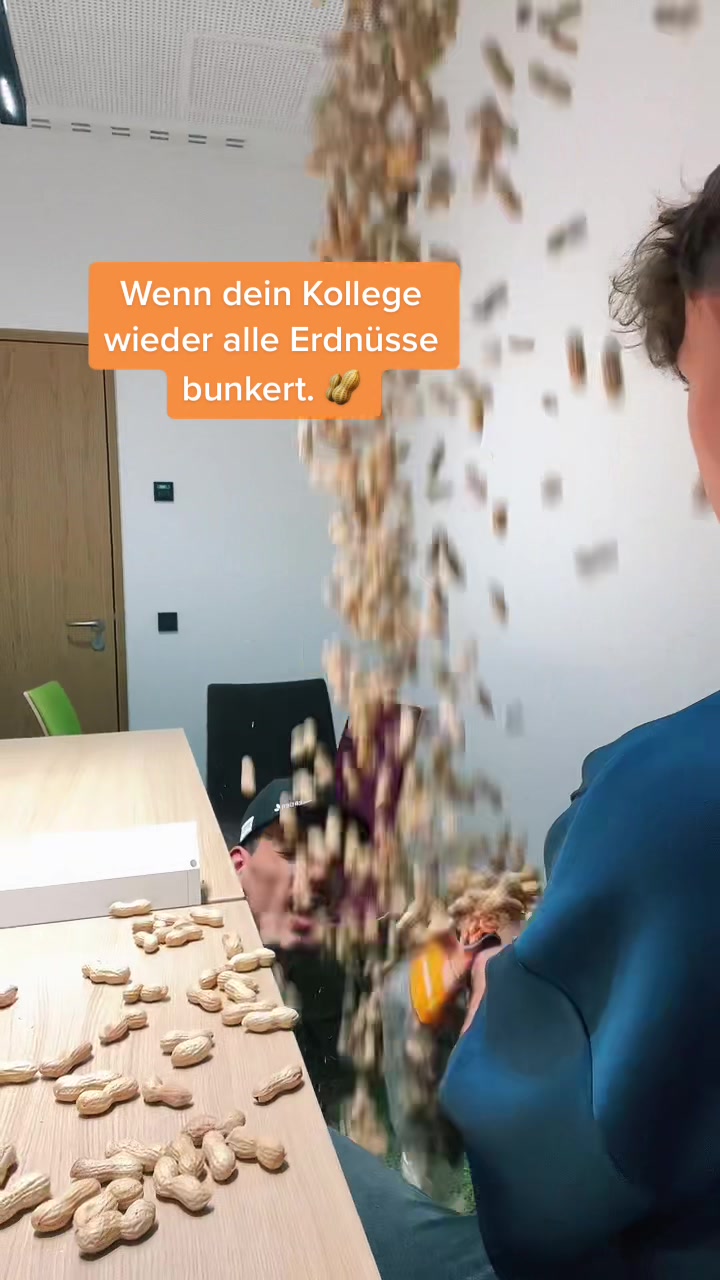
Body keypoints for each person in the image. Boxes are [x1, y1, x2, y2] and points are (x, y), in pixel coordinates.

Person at [328, 165, 720, 1280]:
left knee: (315, 1163)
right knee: (400, 992)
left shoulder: (663, 803)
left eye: (699, 382)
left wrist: (510, 1012)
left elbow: (542, 1203)